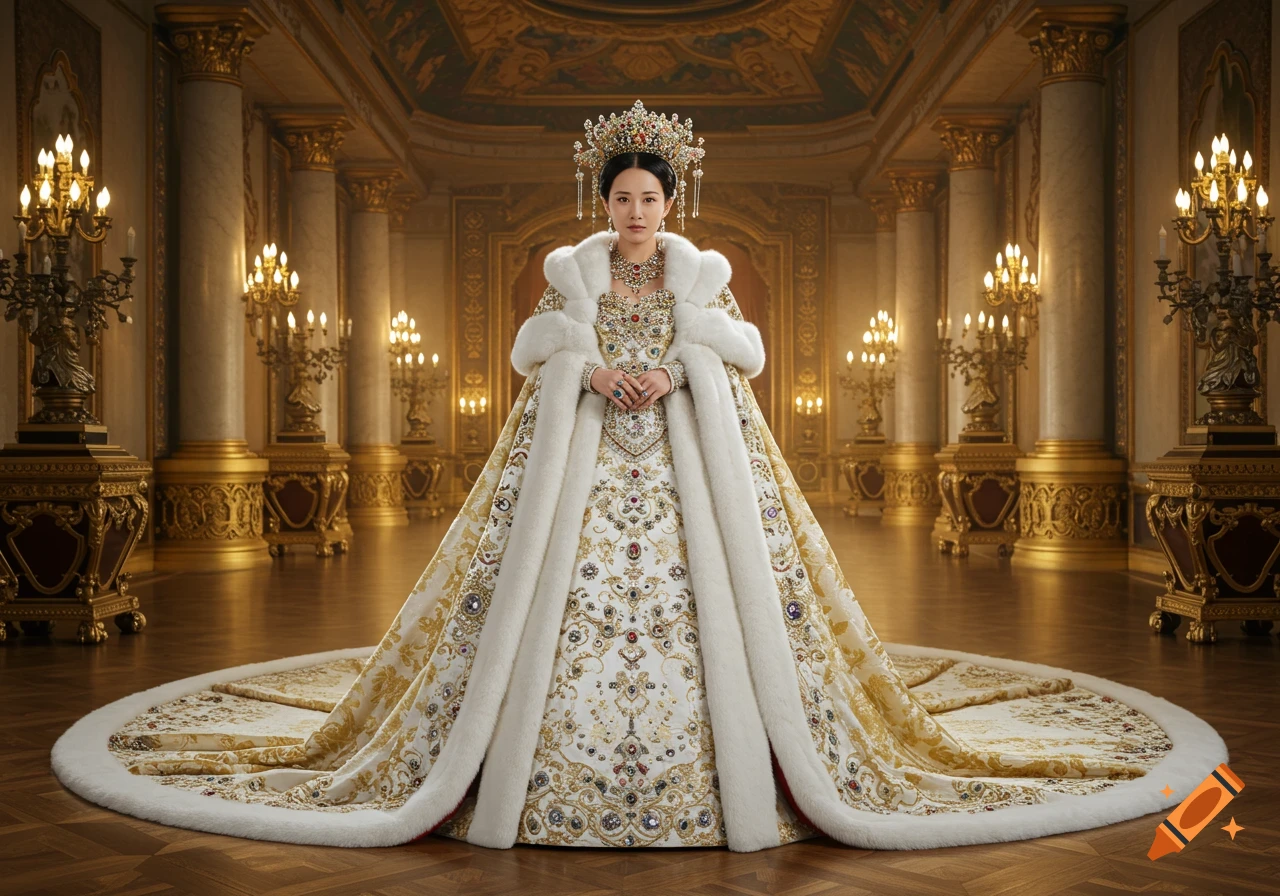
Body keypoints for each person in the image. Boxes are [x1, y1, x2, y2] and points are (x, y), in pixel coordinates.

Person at [56, 100, 1214, 853]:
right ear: (600, 205)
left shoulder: (700, 279)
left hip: (684, 465)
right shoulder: (569, 276)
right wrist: (584, 362)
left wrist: (677, 368)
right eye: (620, 199)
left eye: (648, 200)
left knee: (721, 603)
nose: (634, 214)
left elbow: (747, 353)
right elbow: (524, 351)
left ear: (672, 205)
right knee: (542, 598)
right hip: (577, 464)